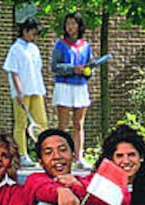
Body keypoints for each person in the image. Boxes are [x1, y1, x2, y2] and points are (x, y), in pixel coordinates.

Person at [2, 17, 48, 167]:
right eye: (33, 33)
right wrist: (19, 92)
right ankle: (22, 154)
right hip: (22, 93)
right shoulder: (15, 49)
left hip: (36, 90)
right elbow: (13, 72)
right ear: (25, 31)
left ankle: (43, 153)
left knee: (42, 123)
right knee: (21, 124)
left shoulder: (34, 48)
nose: (34, 37)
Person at [51, 11, 93, 170]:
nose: (70, 27)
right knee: (63, 125)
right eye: (68, 24)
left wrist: (87, 71)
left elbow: (90, 68)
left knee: (78, 124)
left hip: (81, 87)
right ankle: (60, 157)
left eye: (74, 23)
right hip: (64, 86)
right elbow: (55, 67)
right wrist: (72, 69)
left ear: (79, 26)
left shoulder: (86, 46)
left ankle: (79, 157)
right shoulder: (60, 45)